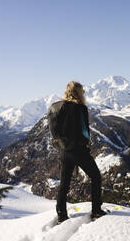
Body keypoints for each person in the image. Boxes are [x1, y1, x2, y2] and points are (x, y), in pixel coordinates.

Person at [51, 81, 106, 224]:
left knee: (64, 184)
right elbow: (84, 132)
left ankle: (61, 215)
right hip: (78, 151)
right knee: (95, 177)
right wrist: (85, 142)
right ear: (79, 92)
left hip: (64, 151)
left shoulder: (58, 107)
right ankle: (96, 211)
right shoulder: (80, 108)